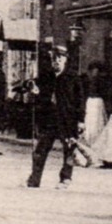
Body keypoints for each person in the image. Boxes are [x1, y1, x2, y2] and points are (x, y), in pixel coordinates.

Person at [28, 45, 83, 188]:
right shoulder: (46, 77)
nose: (56, 61)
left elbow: (80, 101)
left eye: (59, 58)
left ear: (65, 60)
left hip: (68, 120)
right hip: (49, 120)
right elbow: (38, 92)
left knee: (69, 150)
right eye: (54, 58)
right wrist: (35, 91)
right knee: (40, 150)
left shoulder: (73, 78)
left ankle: (65, 178)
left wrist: (81, 121)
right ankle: (34, 179)